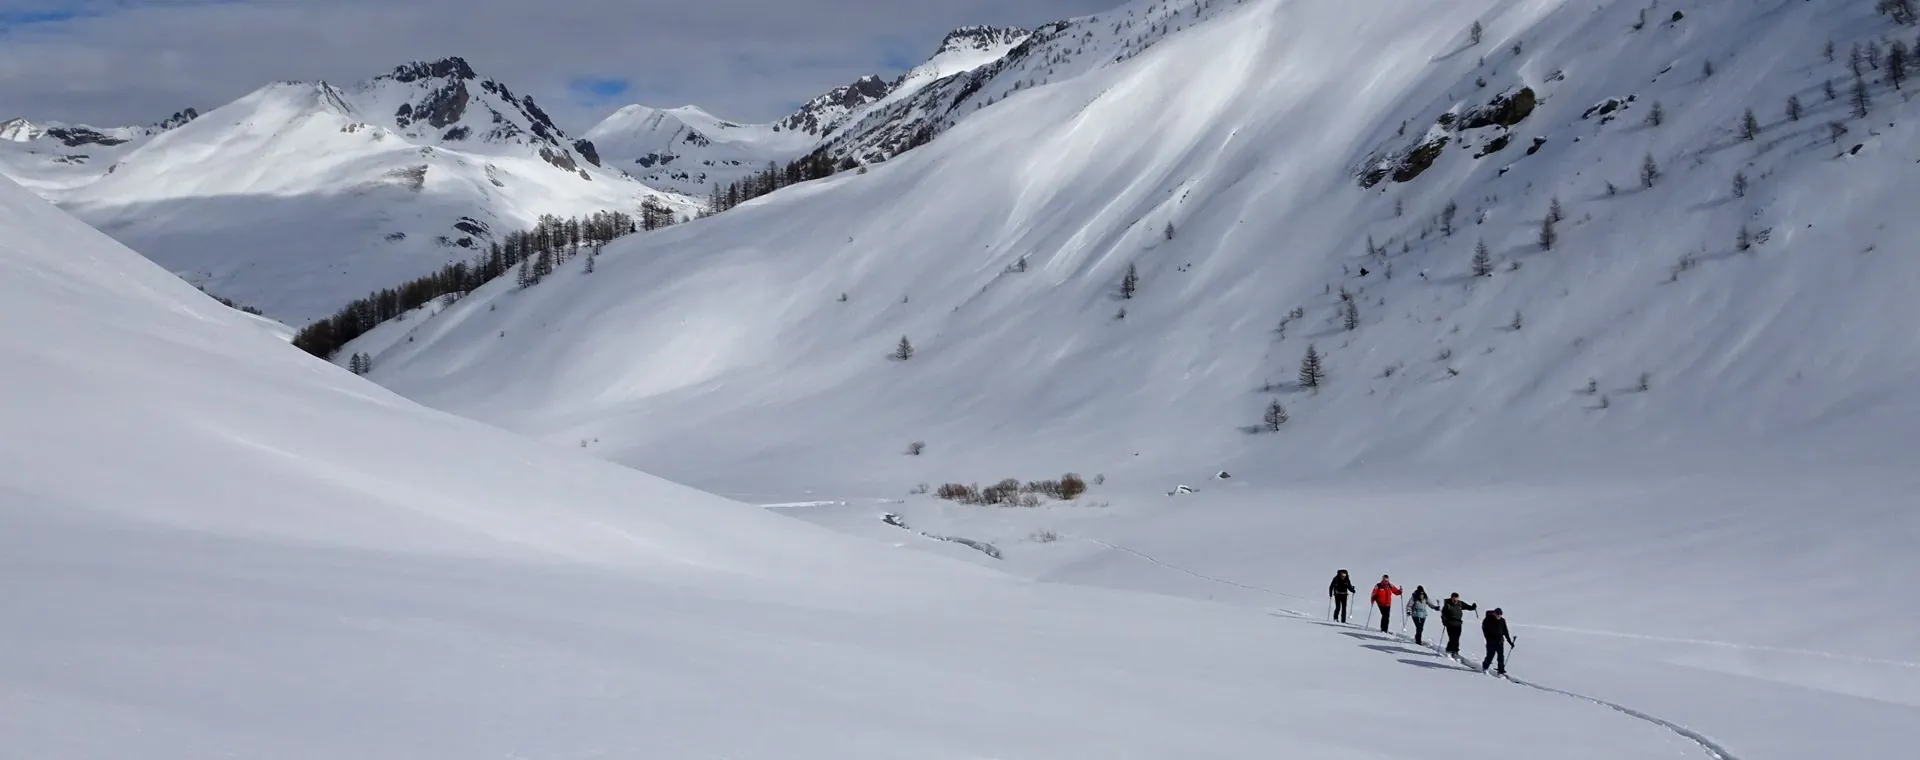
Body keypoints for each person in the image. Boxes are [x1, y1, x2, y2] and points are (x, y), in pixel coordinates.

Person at [1439, 592, 1477, 657]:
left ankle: (1455, 651)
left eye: (1456, 599)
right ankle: (1450, 650)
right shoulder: (1447, 605)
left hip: (1458, 624)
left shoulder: (1460, 603)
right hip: (1450, 623)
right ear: (1451, 598)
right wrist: (1444, 621)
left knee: (1456, 638)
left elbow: (1468, 607)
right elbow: (1443, 614)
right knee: (1452, 638)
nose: (1455, 600)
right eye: (1454, 599)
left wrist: (1473, 607)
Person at [1481, 607, 1516, 675]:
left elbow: (1505, 632)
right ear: (1494, 613)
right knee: (1490, 656)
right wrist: (1488, 638)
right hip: (1491, 642)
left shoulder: (1502, 621)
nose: (1499, 616)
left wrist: (1510, 642)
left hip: (1500, 642)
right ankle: (1485, 667)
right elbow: (1484, 629)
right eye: (1497, 614)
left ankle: (1501, 670)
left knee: (1501, 657)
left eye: (1500, 615)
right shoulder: (1488, 620)